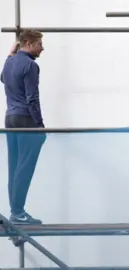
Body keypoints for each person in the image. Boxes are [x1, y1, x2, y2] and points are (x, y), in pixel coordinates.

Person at [1, 29, 46, 225]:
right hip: (26, 119)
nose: (42, 48)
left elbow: (3, 78)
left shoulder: (10, 62)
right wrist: (40, 125)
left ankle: (16, 211)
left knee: (14, 167)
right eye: (39, 44)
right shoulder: (30, 65)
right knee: (25, 168)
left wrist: (10, 55)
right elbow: (32, 98)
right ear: (28, 43)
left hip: (10, 119)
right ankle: (18, 212)